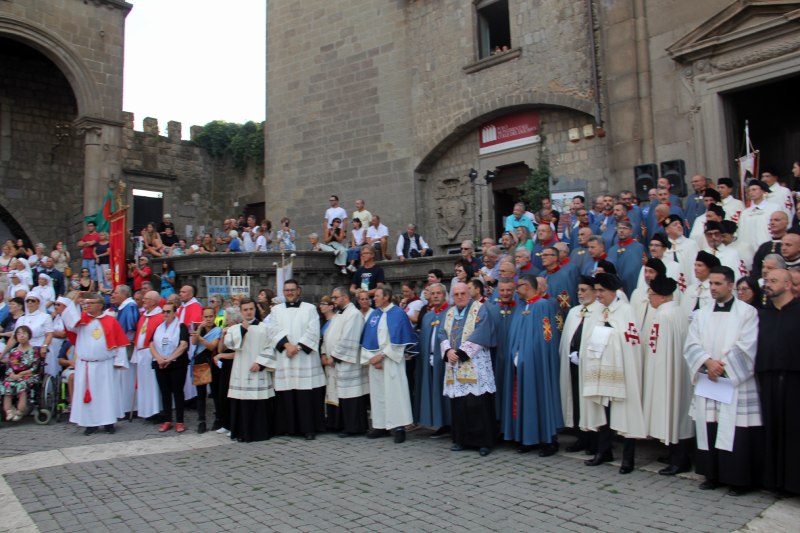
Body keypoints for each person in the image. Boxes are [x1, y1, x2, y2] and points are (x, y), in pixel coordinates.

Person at [684, 266, 761, 496]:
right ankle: (712, 475)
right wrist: (707, 362)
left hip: (735, 383)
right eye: (711, 284)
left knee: (734, 431)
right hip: (710, 380)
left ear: (730, 285)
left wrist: (722, 366)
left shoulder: (747, 312)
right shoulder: (703, 313)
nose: (713, 288)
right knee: (710, 426)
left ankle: (737, 480)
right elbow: (691, 344)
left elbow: (748, 345)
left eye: (718, 284)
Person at [581, 273, 647, 474]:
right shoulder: (597, 311)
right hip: (601, 369)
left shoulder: (626, 311)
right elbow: (589, 337)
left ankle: (628, 458)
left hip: (622, 370)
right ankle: (604, 451)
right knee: (603, 410)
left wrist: (609, 334)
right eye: (597, 290)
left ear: (613, 291)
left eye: (601, 291)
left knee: (625, 411)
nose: (598, 294)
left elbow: (631, 340)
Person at [501, 275, 562, 456]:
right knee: (523, 401)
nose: (515, 291)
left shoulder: (543, 306)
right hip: (518, 366)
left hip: (537, 364)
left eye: (517, 287)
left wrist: (530, 356)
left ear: (526, 286)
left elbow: (547, 337)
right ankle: (528, 438)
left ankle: (548, 440)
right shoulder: (521, 307)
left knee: (540, 398)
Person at [642, 274, 694, 475]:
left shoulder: (663, 315)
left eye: (652, 294)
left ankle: (679, 460)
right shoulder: (678, 311)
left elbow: (659, 350)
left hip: (666, 372)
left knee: (672, 411)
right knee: (678, 413)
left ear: (663, 297)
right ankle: (675, 453)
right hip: (677, 371)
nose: (649, 298)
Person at [261, 280, 325, 440]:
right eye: (286, 290)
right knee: (287, 393)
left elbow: (313, 331)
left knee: (306, 394)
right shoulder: (276, 310)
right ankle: (288, 427)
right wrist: (287, 345)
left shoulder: (310, 309)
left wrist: (297, 348)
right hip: (285, 357)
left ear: (299, 291)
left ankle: (309, 428)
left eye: (292, 290)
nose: (289, 293)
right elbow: (272, 330)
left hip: (304, 358)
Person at [438, 282, 496, 456]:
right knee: (459, 404)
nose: (460, 296)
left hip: (475, 363)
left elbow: (482, 331)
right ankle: (460, 439)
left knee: (477, 403)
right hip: (454, 365)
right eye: (456, 294)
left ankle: (483, 442)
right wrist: (448, 351)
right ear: (452, 297)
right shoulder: (448, 313)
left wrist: (461, 353)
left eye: (463, 293)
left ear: (469, 294)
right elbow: (442, 332)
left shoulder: (480, 309)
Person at [756, 268, 800, 495]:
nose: (768, 284)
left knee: (794, 434)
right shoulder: (763, 315)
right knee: (772, 431)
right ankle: (774, 481)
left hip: (795, 382)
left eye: (774, 281)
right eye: (767, 280)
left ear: (788, 284)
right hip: (769, 380)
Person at [63, 293, 130, 435]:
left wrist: (120, 361)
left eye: (91, 303)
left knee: (107, 395)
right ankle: (90, 424)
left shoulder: (110, 321)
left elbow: (120, 342)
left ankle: (108, 422)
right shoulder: (81, 321)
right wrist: (75, 302)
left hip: (105, 365)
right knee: (88, 396)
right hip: (86, 365)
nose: (87, 305)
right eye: (86, 303)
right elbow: (68, 321)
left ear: (100, 305)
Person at [360, 286, 417, 443]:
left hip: (392, 361)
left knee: (395, 393)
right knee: (378, 394)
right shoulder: (374, 314)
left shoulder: (398, 314)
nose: (374, 299)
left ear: (386, 297)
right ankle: (380, 425)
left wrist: (382, 356)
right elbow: (368, 338)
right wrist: (372, 358)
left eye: (377, 296)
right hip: (375, 362)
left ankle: (399, 427)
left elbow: (400, 341)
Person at [559, 275, 602, 454]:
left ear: (594, 291)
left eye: (584, 290)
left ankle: (595, 440)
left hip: (591, 366)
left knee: (591, 403)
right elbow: (566, 338)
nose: (580, 294)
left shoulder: (600, 310)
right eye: (578, 290)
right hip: (573, 365)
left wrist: (584, 354)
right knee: (575, 400)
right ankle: (581, 437)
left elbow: (598, 340)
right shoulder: (574, 311)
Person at [322, 287, 368, 437]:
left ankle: (354, 427)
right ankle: (344, 424)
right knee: (343, 395)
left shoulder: (353, 314)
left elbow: (349, 338)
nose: (333, 301)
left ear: (345, 297)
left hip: (347, 362)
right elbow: (328, 334)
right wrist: (324, 352)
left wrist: (334, 357)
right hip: (337, 362)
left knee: (352, 395)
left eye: (335, 297)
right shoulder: (340, 315)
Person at [414, 282, 451, 437]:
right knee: (435, 391)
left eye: (439, 293)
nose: (435, 296)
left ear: (444, 295)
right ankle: (440, 422)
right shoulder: (428, 316)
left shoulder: (451, 313)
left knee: (446, 393)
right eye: (433, 293)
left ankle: (450, 422)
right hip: (429, 359)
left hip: (445, 360)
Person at [150, 302, 189, 433]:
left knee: (177, 392)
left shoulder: (181, 327)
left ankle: (179, 421)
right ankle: (167, 420)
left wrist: (170, 359)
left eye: (168, 311)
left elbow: (183, 345)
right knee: (165, 392)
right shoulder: (158, 327)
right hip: (160, 364)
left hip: (177, 364)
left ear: (175, 313)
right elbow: (151, 344)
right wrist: (159, 358)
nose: (165, 314)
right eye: (164, 312)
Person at [190, 306, 222, 434]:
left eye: (210, 316)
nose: (208, 319)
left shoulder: (217, 330)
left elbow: (211, 346)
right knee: (201, 394)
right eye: (206, 317)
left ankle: (218, 418)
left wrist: (201, 338)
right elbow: (193, 342)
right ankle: (201, 421)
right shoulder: (200, 329)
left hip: (212, 363)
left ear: (214, 317)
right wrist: (199, 329)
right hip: (201, 363)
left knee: (215, 393)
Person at [133, 291, 163, 421]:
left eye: (146, 299)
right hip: (141, 353)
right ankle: (146, 410)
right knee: (144, 384)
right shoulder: (143, 316)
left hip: (152, 353)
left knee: (153, 384)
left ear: (154, 301)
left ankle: (157, 410)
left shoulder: (160, 316)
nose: (143, 300)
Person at [110, 285, 139, 420]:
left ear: (124, 294)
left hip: (127, 346)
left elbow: (130, 327)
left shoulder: (130, 306)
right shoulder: (123, 307)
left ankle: (129, 407)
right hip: (121, 346)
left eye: (115, 293)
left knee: (127, 378)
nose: (113, 295)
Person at [1, 325, 41, 422]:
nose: (21, 336)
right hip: (15, 374)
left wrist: (21, 374)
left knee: (21, 384)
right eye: (18, 334)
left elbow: (35, 367)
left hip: (29, 375)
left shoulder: (34, 350)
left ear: (29, 335)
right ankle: (9, 410)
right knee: (7, 384)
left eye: (24, 333)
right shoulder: (14, 351)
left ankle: (20, 411)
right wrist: (12, 375)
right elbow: (9, 366)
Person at [738, 180, 778, 254]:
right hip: (749, 251)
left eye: (754, 190)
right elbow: (741, 232)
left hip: (768, 248)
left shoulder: (773, 208)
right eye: (749, 190)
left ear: (762, 191)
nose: (751, 192)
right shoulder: (745, 213)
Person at [612, 221, 646, 297]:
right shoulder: (612, 250)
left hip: (634, 288)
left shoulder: (639, 248)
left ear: (631, 231)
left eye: (625, 228)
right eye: (619, 228)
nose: (621, 230)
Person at [539, 245, 577, 313]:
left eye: (546, 255)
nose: (542, 257)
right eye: (542, 255)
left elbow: (566, 302)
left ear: (555, 258)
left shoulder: (564, 276)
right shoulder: (541, 275)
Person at [681, 251, 720, 315]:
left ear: (710, 268)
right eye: (695, 265)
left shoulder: (715, 290)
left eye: (700, 265)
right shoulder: (690, 289)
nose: (695, 268)